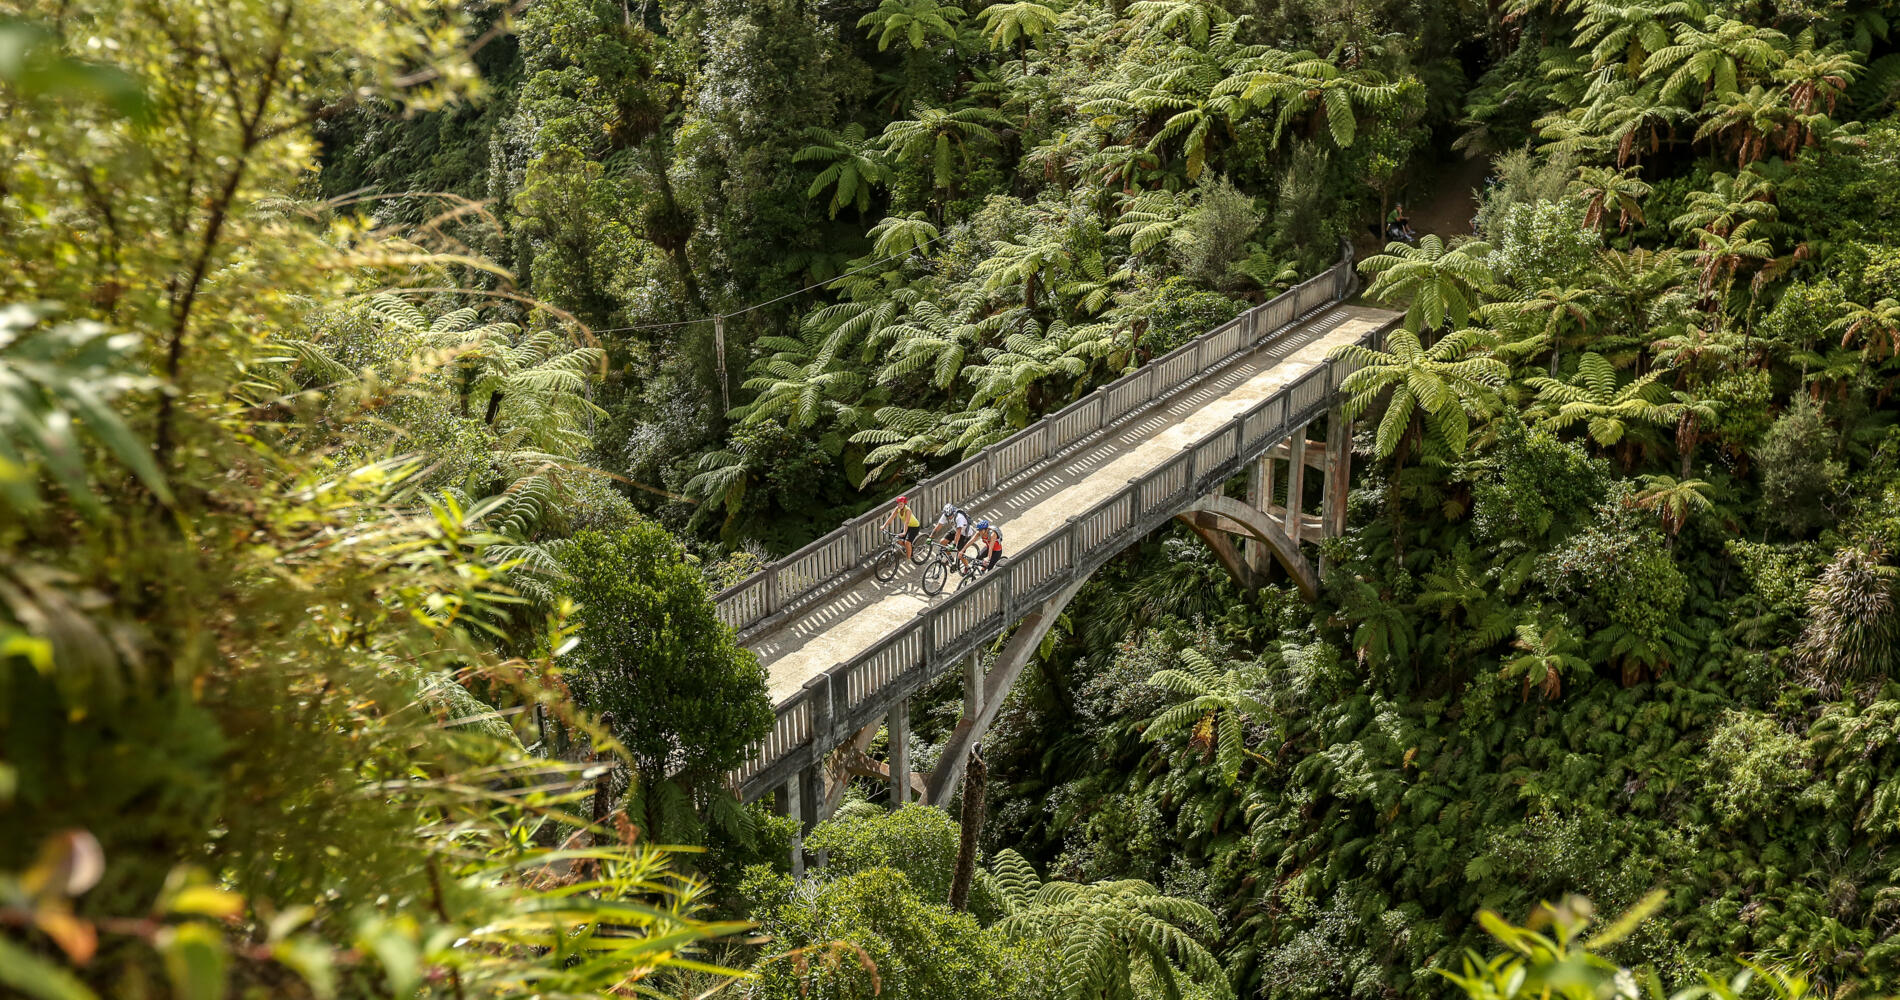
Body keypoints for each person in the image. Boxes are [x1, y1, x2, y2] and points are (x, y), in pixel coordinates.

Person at [880, 494, 921, 560]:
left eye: (901, 504)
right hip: (907, 526)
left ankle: (908, 558)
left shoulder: (908, 510)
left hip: (914, 527)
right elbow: (891, 517)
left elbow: (906, 522)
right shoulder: (897, 509)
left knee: (907, 542)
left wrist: (904, 532)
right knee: (897, 540)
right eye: (898, 504)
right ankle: (909, 548)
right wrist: (884, 526)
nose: (899, 506)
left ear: (904, 504)